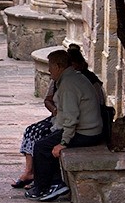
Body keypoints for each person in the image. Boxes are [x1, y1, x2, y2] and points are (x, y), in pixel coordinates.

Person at [11, 45, 103, 189]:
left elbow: (71, 118)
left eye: (51, 66)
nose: (48, 70)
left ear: (59, 66)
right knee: (40, 136)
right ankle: (41, 178)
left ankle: (45, 186)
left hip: (85, 132)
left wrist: (63, 143)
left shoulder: (69, 83)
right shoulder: (68, 79)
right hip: (83, 128)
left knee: (42, 146)